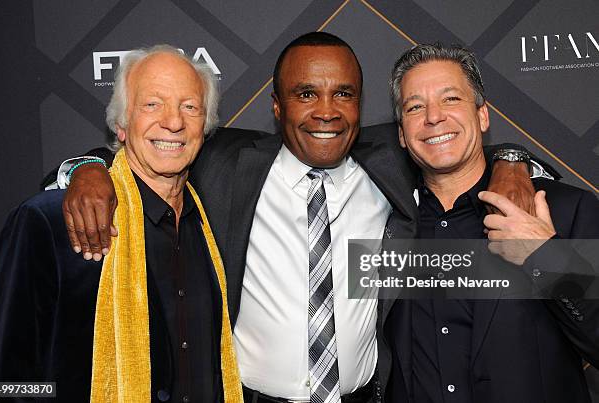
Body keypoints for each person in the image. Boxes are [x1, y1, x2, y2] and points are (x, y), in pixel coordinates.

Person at [48, 33, 544, 402]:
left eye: (343, 94)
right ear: (277, 106)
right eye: (306, 94)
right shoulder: (225, 162)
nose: (326, 111)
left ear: (360, 103)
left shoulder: (389, 159)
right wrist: (88, 169)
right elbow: (154, 144)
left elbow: (451, 143)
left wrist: (515, 160)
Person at [0, 45, 242, 403]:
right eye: (152, 104)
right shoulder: (48, 223)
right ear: (121, 125)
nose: (173, 122)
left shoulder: (212, 219)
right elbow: (5, 385)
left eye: (190, 107)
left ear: (205, 126)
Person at [383, 43, 599, 403]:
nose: (433, 117)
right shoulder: (385, 224)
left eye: (451, 99)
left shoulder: (563, 209)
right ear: (402, 134)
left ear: (482, 116)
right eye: (415, 106)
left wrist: (546, 256)